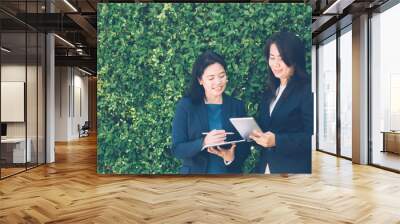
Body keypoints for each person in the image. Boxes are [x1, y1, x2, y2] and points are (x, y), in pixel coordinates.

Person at [171, 50, 250, 174]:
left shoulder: (237, 106)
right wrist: (204, 142)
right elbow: (177, 148)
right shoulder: (186, 106)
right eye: (211, 78)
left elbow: (244, 148)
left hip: (228, 181)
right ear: (200, 80)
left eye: (222, 76)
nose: (218, 82)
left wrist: (230, 157)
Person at [249, 31, 313, 174]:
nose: (276, 64)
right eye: (272, 58)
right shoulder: (270, 92)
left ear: (294, 59)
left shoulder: (307, 90)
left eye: (282, 58)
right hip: (266, 168)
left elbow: (313, 138)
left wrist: (278, 141)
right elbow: (269, 127)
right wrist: (253, 132)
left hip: (294, 172)